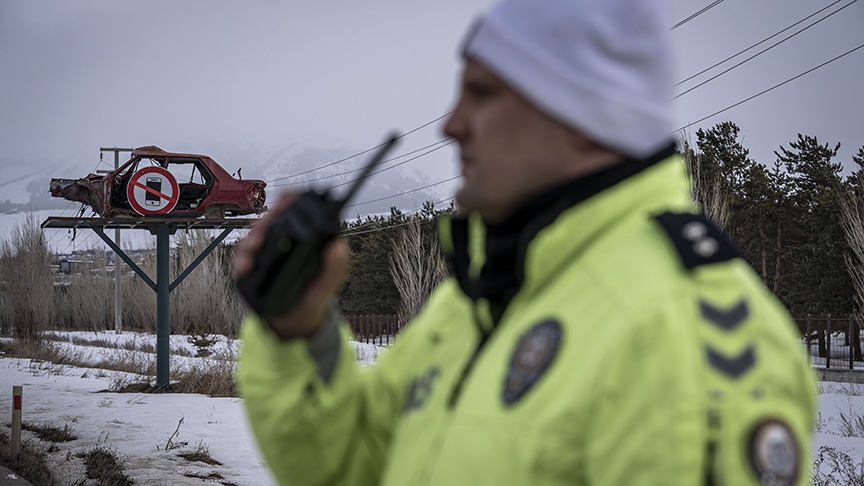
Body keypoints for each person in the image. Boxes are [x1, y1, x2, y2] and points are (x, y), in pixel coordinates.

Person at [235, 0, 817, 484]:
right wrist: (299, 329)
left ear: (585, 112)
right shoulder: (481, 296)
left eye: (483, 93)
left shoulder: (681, 333)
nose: (450, 124)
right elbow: (353, 466)